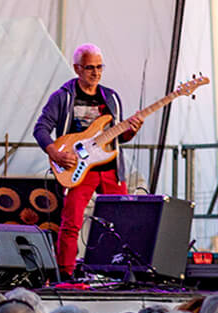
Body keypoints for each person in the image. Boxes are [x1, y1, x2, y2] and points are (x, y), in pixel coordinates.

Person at [32, 43, 143, 278]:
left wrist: (131, 131)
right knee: (72, 223)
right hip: (80, 169)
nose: (96, 73)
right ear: (77, 69)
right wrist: (54, 152)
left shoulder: (111, 97)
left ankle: (117, 271)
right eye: (90, 67)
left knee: (121, 223)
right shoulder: (63, 97)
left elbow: (117, 138)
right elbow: (41, 128)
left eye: (99, 67)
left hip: (111, 169)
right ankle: (67, 274)